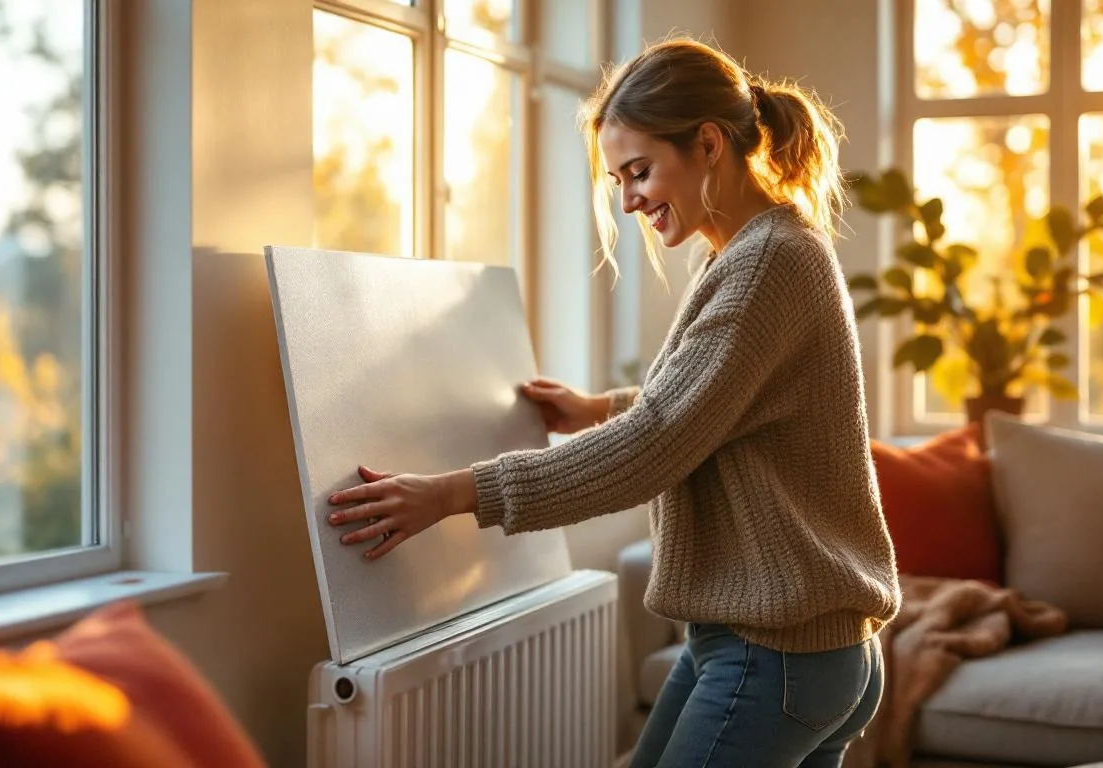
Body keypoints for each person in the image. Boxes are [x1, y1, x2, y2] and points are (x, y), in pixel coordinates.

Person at [327, 36, 900, 767]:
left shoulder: (767, 262)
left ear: (709, 144)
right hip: (786, 647)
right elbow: (719, 398)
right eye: (618, 180)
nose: (628, 200)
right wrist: (597, 407)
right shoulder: (755, 249)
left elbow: (655, 445)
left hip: (775, 653)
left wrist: (449, 495)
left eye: (639, 171)